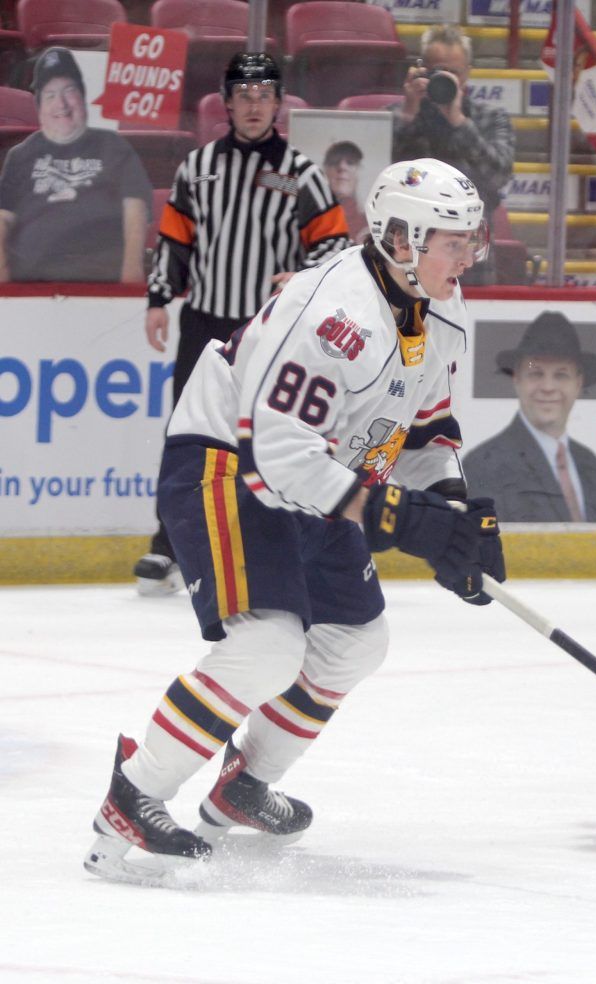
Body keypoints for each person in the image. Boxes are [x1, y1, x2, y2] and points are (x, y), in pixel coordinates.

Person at [84, 158, 506, 883]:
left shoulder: (440, 303)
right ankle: (134, 795)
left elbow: (426, 424)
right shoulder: (331, 315)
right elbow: (274, 458)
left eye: (473, 240)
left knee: (354, 644)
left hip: (321, 474)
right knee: (268, 648)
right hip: (225, 464)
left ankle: (241, 788)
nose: (469, 257)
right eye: (453, 241)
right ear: (402, 239)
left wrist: (457, 514)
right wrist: (406, 520)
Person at [134, 52, 350, 596]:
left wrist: (302, 279)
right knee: (188, 438)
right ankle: (170, 546)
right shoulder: (197, 168)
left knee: (275, 437)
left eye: (264, 95)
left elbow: (335, 248)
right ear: (226, 102)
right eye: (244, 95)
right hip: (204, 323)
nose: (254, 105)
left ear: (278, 104)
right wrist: (159, 298)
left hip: (270, 332)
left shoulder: (303, 173)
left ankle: (282, 544)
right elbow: (174, 243)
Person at [0, 46, 151, 283]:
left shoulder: (113, 145)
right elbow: (2, 219)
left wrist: (131, 272)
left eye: (69, 91)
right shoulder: (20, 155)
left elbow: (135, 208)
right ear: (39, 106)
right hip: (32, 283)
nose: (61, 104)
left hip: (102, 280)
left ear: (83, 97)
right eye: (50, 95)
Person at [392, 24, 514, 285]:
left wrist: (458, 120)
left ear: (467, 74)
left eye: (453, 72)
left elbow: (499, 174)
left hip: (470, 252)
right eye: (438, 71)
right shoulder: (400, 114)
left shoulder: (490, 119)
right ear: (422, 68)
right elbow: (380, 172)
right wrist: (408, 113)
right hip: (409, 249)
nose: (444, 78)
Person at [463, 311, 596, 523]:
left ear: (578, 383)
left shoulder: (592, 466)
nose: (548, 387)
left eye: (561, 374)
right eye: (536, 373)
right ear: (517, 379)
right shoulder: (483, 465)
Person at [323, 140, 368, 242]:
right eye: (334, 161)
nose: (342, 167)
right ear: (325, 170)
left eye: (350, 162)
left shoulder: (371, 224)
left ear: (359, 171)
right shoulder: (312, 220)